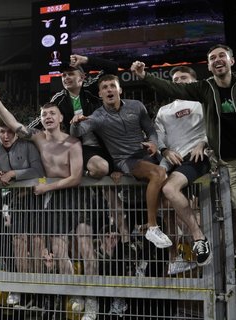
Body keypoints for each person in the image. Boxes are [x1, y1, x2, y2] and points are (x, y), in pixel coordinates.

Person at [131, 44, 236, 283]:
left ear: (231, 60)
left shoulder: (227, 88)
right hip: (212, 163)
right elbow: (162, 122)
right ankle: (235, 261)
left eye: (221, 56)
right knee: (234, 216)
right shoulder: (184, 100)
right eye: (212, 58)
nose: (217, 60)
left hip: (235, 159)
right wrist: (165, 149)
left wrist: (206, 144)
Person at [0, 87, 98, 320]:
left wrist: (47, 187)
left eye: (52, 113)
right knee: (59, 248)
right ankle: (76, 294)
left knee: (86, 247)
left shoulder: (73, 143)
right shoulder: (38, 139)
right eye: (44, 115)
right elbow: (14, 125)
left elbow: (75, 178)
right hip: (54, 200)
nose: (48, 117)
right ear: (41, 119)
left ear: (61, 117)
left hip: (76, 197)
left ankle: (92, 298)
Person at [69, 75, 173, 250]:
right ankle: (153, 226)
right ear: (100, 94)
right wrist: (75, 123)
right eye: (105, 88)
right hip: (126, 160)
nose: (109, 90)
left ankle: (174, 250)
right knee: (159, 173)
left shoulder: (136, 106)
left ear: (120, 90)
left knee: (171, 181)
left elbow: (150, 129)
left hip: (147, 154)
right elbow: (77, 132)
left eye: (112, 86)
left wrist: (153, 143)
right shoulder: (98, 116)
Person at [154, 66, 212, 271]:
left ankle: (199, 237)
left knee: (171, 190)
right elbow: (159, 138)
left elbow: (215, 127)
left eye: (184, 78)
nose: (179, 81)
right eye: (175, 79)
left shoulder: (203, 102)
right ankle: (176, 258)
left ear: (194, 81)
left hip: (196, 157)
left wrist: (203, 143)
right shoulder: (163, 111)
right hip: (173, 161)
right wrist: (165, 151)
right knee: (168, 209)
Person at [0, 117, 45, 307]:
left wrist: (14, 174)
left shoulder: (28, 145)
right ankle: (19, 287)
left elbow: (38, 170)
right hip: (15, 202)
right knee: (19, 243)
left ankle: (39, 290)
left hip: (36, 200)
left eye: (9, 131)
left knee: (37, 243)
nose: (6, 136)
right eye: (2, 131)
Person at [51, 54, 118, 177]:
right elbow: (42, 119)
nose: (66, 77)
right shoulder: (59, 99)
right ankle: (82, 174)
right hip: (82, 148)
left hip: (106, 144)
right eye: (64, 75)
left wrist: (86, 60)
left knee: (112, 187)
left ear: (82, 77)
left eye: (70, 73)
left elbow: (112, 67)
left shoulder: (91, 90)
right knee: (101, 169)